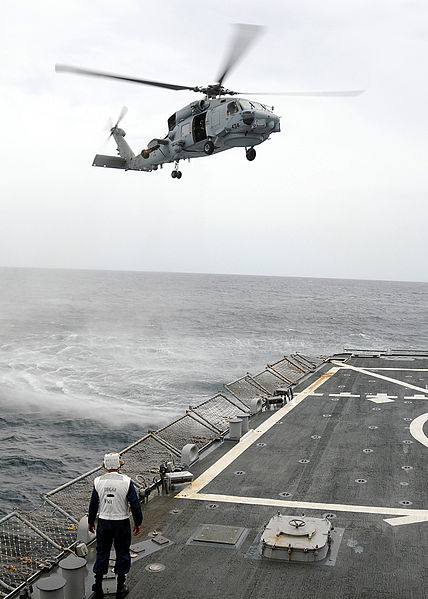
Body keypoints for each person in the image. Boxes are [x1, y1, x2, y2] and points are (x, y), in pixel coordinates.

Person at [88, 452, 143, 599]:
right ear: (119, 464)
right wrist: (138, 523)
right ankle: (120, 586)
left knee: (102, 552)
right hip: (121, 523)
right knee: (122, 552)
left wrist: (90, 522)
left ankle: (98, 586)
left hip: (103, 523)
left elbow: (93, 504)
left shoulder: (98, 481)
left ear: (105, 465)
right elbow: (135, 505)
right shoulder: (126, 481)